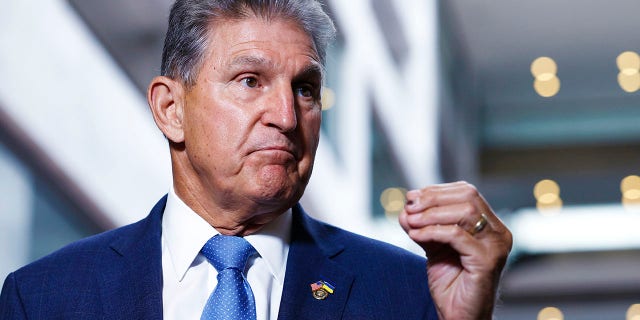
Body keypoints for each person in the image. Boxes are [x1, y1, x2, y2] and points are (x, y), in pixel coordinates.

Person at [0, 0, 512, 319]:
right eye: (251, 81)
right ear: (170, 108)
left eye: (306, 89)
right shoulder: (44, 297)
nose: (287, 116)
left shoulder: (408, 293)